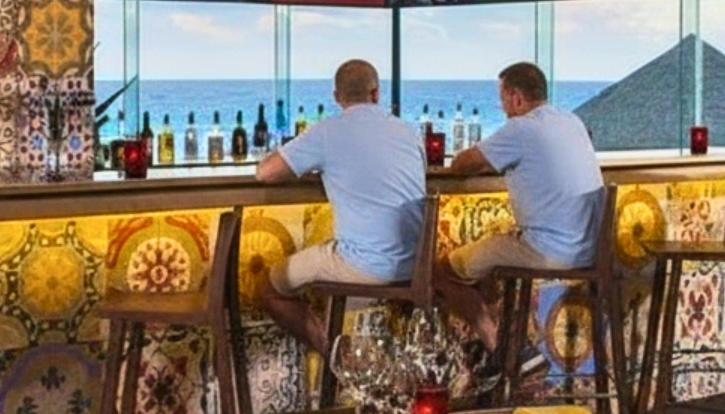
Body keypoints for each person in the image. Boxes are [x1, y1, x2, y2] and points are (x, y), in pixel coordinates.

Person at [256, 59, 424, 355]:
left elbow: (265, 173)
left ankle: (339, 360)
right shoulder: (408, 132)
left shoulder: (327, 132)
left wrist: (316, 165)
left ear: (336, 97)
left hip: (363, 267)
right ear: (376, 94)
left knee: (268, 286)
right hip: (419, 265)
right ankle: (356, 359)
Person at [439, 61, 603, 359]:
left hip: (549, 251)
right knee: (488, 260)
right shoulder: (571, 121)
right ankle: (500, 346)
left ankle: (500, 352)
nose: (502, 108)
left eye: (502, 99)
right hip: (591, 251)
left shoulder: (521, 129)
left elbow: (461, 165)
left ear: (515, 97)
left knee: (442, 270)